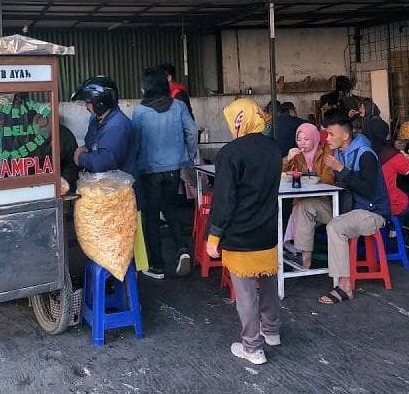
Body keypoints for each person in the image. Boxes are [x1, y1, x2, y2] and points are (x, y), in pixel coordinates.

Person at [206, 98, 282, 366]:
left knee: (246, 292)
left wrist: (214, 235)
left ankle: (252, 347)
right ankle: (271, 331)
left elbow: (224, 200)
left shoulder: (230, 153)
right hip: (268, 230)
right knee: (269, 281)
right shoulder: (274, 149)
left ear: (238, 120)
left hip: (240, 234)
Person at [294, 115, 390, 304]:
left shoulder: (366, 155)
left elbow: (368, 190)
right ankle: (304, 261)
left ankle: (345, 286)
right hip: (346, 209)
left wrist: (342, 169)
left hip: (372, 213)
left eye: (330, 135)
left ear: (345, 136)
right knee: (306, 205)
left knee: (336, 227)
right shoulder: (339, 153)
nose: (326, 139)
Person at [132, 67, 198, 279]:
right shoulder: (178, 107)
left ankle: (157, 266)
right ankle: (182, 249)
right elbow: (192, 132)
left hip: (149, 170)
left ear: (146, 88)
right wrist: (188, 154)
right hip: (173, 168)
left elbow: (135, 142)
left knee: (151, 217)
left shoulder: (140, 112)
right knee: (170, 209)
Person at [365, 117, 409, 254]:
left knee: (403, 197)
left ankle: (393, 236)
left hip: (367, 202)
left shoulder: (363, 152)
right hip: (387, 203)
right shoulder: (391, 155)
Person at [281, 122, 336, 253]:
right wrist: (287, 159)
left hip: (325, 201)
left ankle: (297, 251)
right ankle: (294, 249)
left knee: (300, 207)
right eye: (299, 139)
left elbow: (329, 178)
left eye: (306, 139)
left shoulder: (326, 152)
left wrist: (310, 181)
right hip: (303, 199)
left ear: (315, 138)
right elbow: (282, 174)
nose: (302, 143)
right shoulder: (297, 156)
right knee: (292, 206)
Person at [71, 76, 138, 181]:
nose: (86, 105)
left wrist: (80, 157)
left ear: (100, 102)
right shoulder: (96, 119)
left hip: (120, 189)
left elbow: (103, 163)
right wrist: (86, 149)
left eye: (88, 101)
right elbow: (93, 145)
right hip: (104, 186)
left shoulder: (117, 126)